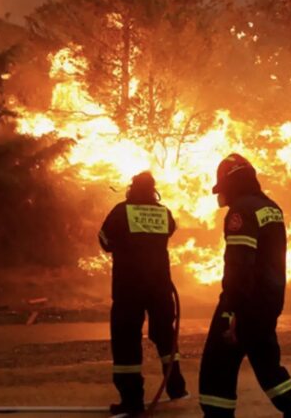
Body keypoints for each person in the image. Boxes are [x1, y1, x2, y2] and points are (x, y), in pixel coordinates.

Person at [198, 154, 291, 418]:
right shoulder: (271, 207)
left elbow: (239, 265)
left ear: (231, 183)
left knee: (216, 370)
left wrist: (233, 310)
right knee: (268, 367)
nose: (220, 196)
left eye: (221, 188)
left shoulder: (241, 211)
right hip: (268, 302)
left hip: (243, 304)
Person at [98, 171, 188, 416]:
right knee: (164, 335)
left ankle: (132, 400)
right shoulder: (163, 213)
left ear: (131, 189)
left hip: (129, 287)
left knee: (126, 340)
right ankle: (176, 386)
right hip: (160, 286)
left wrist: (125, 244)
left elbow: (104, 240)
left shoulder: (121, 211)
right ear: (153, 190)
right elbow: (170, 231)